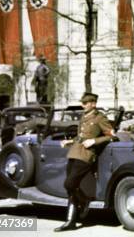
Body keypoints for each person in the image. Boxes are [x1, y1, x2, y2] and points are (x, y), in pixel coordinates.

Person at [55, 92, 113, 232]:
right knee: (71, 187)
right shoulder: (83, 117)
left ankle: (84, 200)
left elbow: (111, 135)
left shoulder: (100, 118)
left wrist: (94, 141)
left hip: (86, 155)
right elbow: (79, 136)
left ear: (93, 103)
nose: (83, 105)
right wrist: (70, 141)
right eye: (83, 102)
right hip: (74, 152)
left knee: (69, 184)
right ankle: (71, 221)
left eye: (86, 103)